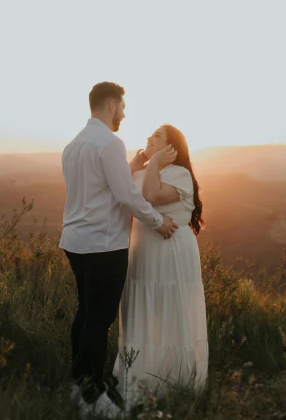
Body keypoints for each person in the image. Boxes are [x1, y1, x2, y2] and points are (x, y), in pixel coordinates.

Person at [59, 82, 178, 419]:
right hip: (103, 245)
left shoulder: (73, 145)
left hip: (75, 242)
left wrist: (138, 161)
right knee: (99, 319)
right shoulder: (110, 143)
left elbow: (103, 187)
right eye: (122, 107)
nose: (124, 114)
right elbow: (125, 196)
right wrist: (158, 221)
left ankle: (79, 384)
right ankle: (94, 398)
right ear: (111, 105)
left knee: (85, 312)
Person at [113, 123, 208, 411]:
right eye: (149, 136)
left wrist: (152, 161)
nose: (149, 139)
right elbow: (121, 191)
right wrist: (135, 164)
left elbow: (151, 196)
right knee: (145, 310)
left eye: (156, 137)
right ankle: (140, 377)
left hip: (171, 253)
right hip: (144, 253)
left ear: (171, 148)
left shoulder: (179, 174)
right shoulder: (145, 171)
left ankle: (172, 382)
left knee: (170, 309)